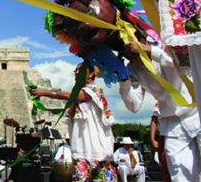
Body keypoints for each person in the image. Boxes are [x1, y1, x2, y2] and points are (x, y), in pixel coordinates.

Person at [118, 38, 200, 180]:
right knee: (180, 177)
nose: (132, 56)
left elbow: (185, 62)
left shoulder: (165, 44)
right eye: (127, 53)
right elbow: (134, 106)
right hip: (171, 124)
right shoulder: (133, 69)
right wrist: (123, 79)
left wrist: (151, 52)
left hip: (197, 112)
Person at [31, 62, 118, 181]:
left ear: (91, 74)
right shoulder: (79, 96)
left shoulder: (93, 90)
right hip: (82, 149)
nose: (77, 73)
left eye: (80, 70)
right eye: (75, 71)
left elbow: (73, 96)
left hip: (97, 148)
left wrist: (45, 93)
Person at [150, 106, 171, 182]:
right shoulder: (161, 101)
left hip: (188, 135)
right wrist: (152, 139)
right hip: (166, 134)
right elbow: (154, 120)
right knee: (166, 168)